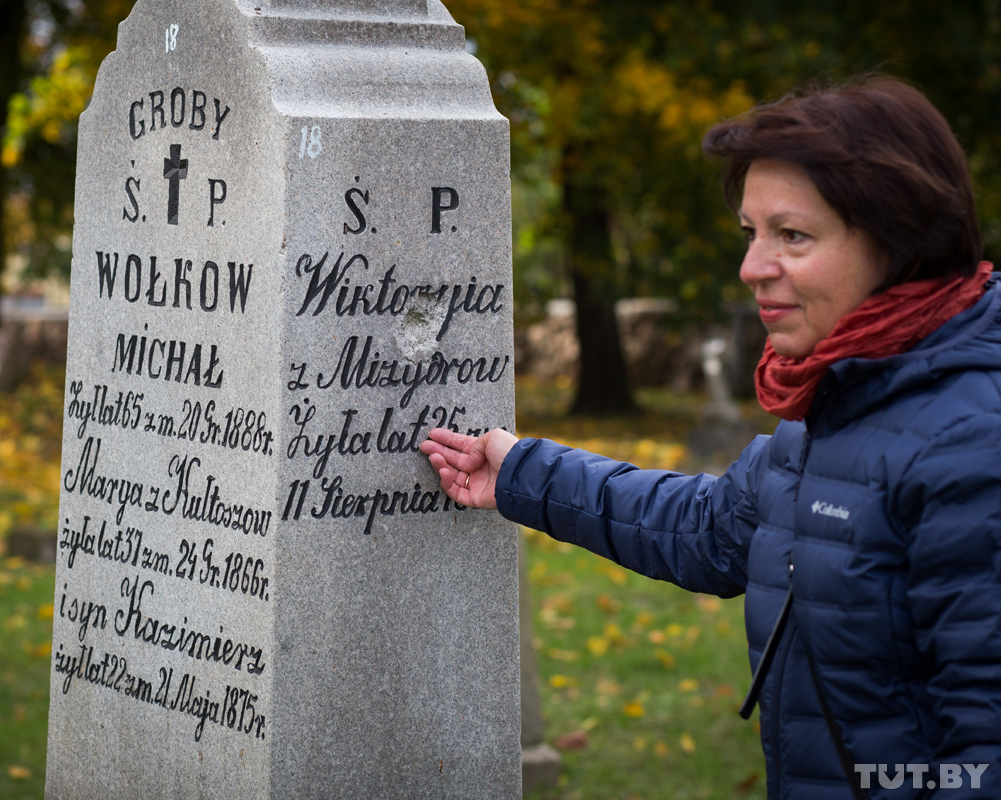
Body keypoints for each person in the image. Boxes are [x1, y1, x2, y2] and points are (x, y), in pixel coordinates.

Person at [421, 76, 1001, 799]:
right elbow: (709, 530)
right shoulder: (832, 407)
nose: (752, 268)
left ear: (900, 241)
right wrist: (519, 470)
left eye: (792, 235)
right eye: (751, 234)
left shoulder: (971, 445)